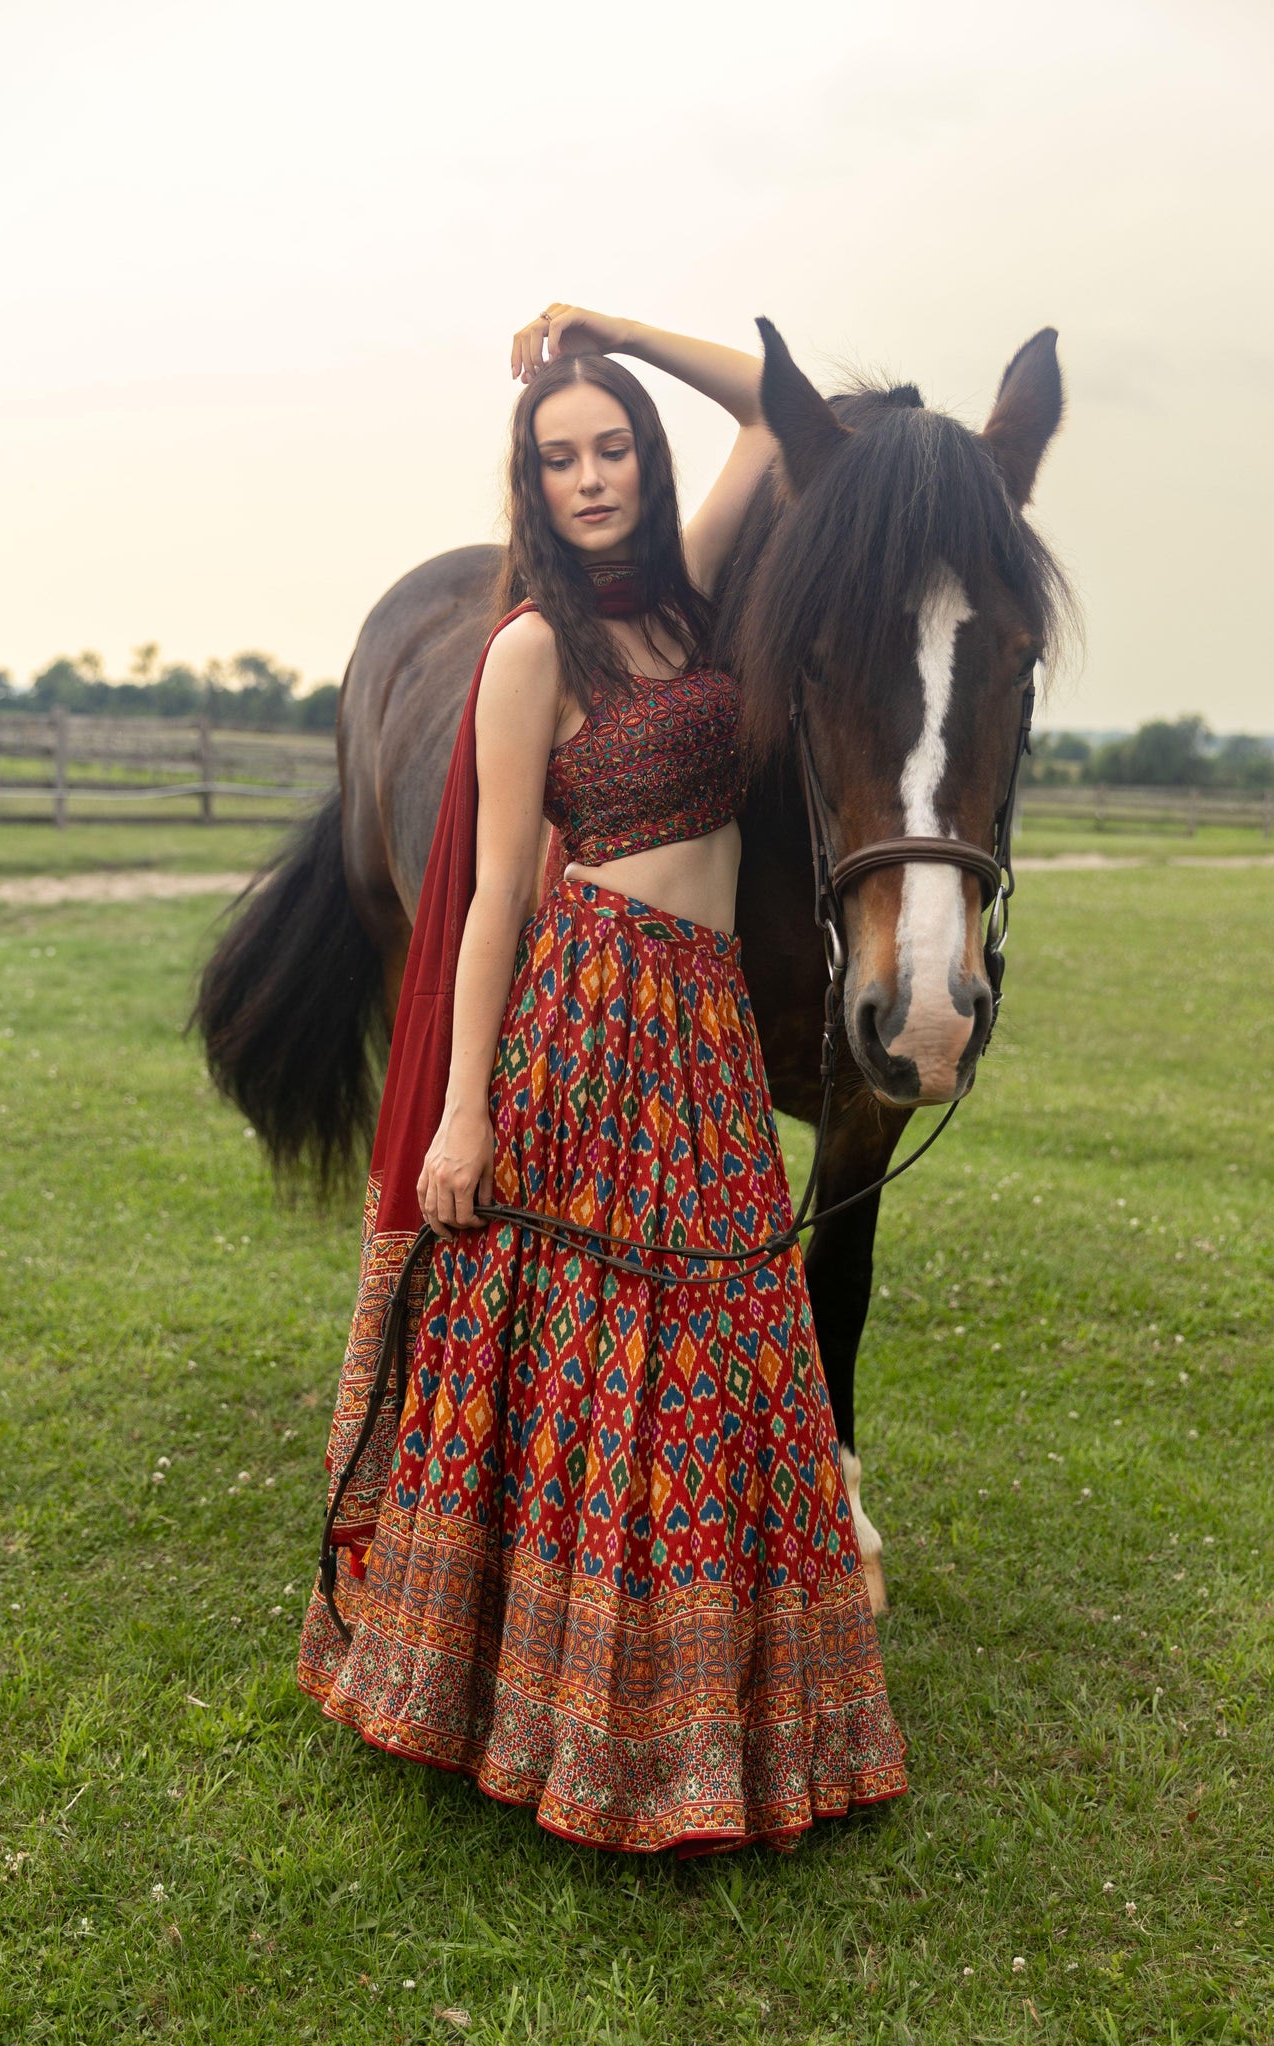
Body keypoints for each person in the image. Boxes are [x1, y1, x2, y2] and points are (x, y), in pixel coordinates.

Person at [297, 305, 906, 1852]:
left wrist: (599, 323)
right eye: (560, 456)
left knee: (731, 1349)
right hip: (585, 1012)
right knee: (577, 1364)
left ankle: (724, 1716)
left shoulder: (695, 604)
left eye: (613, 444)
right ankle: (536, 1697)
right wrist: (458, 1107)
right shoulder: (529, 649)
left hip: (702, 1022)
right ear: (531, 482)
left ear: (645, 455)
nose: (592, 477)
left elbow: (783, 411)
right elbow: (499, 892)